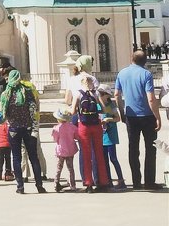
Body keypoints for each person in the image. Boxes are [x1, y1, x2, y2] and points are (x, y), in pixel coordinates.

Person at [115, 50, 163, 190]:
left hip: (131, 116)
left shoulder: (122, 73)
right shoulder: (146, 74)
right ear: (145, 60)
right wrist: (157, 117)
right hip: (147, 116)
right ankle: (149, 181)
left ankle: (136, 182)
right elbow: (151, 98)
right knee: (150, 148)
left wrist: (122, 112)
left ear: (132, 59)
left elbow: (117, 94)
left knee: (133, 148)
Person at [0, 70, 46, 194]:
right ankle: (39, 185)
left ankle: (20, 186)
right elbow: (33, 108)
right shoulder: (27, 91)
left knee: (16, 158)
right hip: (28, 128)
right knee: (33, 157)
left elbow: (4, 114)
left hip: (14, 129)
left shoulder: (6, 94)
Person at [70, 75, 111, 192]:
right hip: (96, 125)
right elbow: (103, 110)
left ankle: (88, 183)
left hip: (83, 126)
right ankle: (103, 182)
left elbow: (73, 111)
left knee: (86, 155)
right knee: (99, 154)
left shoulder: (78, 94)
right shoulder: (96, 93)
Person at [97, 84, 126, 190]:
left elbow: (117, 118)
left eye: (102, 94)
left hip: (110, 135)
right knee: (104, 160)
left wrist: (108, 119)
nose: (100, 96)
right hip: (101, 136)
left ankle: (121, 180)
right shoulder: (97, 106)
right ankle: (108, 180)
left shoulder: (110, 105)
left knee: (113, 158)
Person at [51, 107, 79, 192]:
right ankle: (73, 184)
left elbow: (55, 139)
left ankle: (56, 183)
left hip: (61, 150)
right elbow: (77, 136)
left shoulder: (56, 128)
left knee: (59, 168)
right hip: (70, 150)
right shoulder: (73, 127)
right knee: (70, 168)